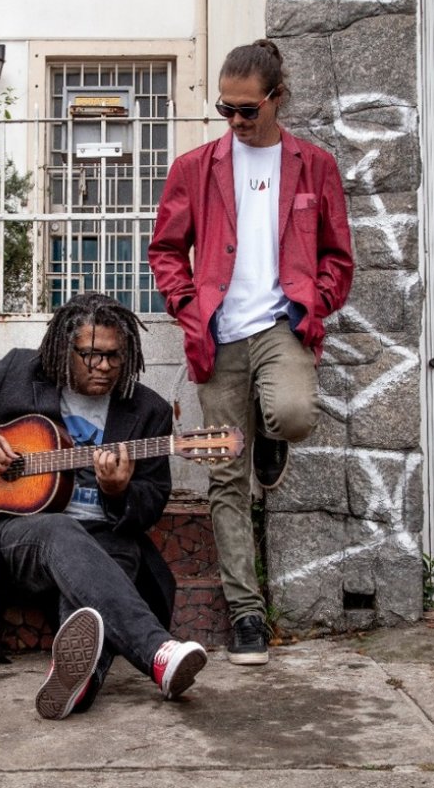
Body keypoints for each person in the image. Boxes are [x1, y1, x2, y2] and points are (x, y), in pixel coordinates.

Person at [0, 292, 207, 720]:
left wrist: (118, 491)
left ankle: (77, 683)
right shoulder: (17, 374)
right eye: (90, 355)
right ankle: (158, 652)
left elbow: (151, 504)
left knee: (103, 573)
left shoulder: (148, 411)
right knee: (59, 530)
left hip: (103, 538)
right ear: (65, 349)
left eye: (114, 357)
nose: (103, 367)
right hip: (16, 540)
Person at [147, 39, 354, 666]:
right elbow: (165, 249)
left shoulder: (314, 165)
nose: (234, 121)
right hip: (218, 335)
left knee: (291, 414)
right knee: (225, 475)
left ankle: (272, 436)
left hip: (280, 326)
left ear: (277, 99)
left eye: (246, 110)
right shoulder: (195, 168)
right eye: (224, 109)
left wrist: (312, 304)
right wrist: (187, 308)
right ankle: (245, 614)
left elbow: (338, 257)